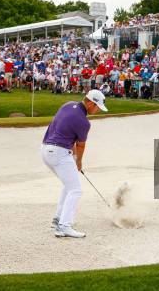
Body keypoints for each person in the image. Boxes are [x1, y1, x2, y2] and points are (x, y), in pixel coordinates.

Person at [41, 90, 108, 239]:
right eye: (97, 106)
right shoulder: (84, 122)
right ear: (90, 103)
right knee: (76, 190)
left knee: (69, 185)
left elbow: (67, 133)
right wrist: (78, 162)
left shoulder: (68, 105)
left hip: (45, 150)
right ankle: (64, 226)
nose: (97, 110)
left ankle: (58, 219)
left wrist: (73, 158)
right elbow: (80, 145)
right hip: (59, 152)